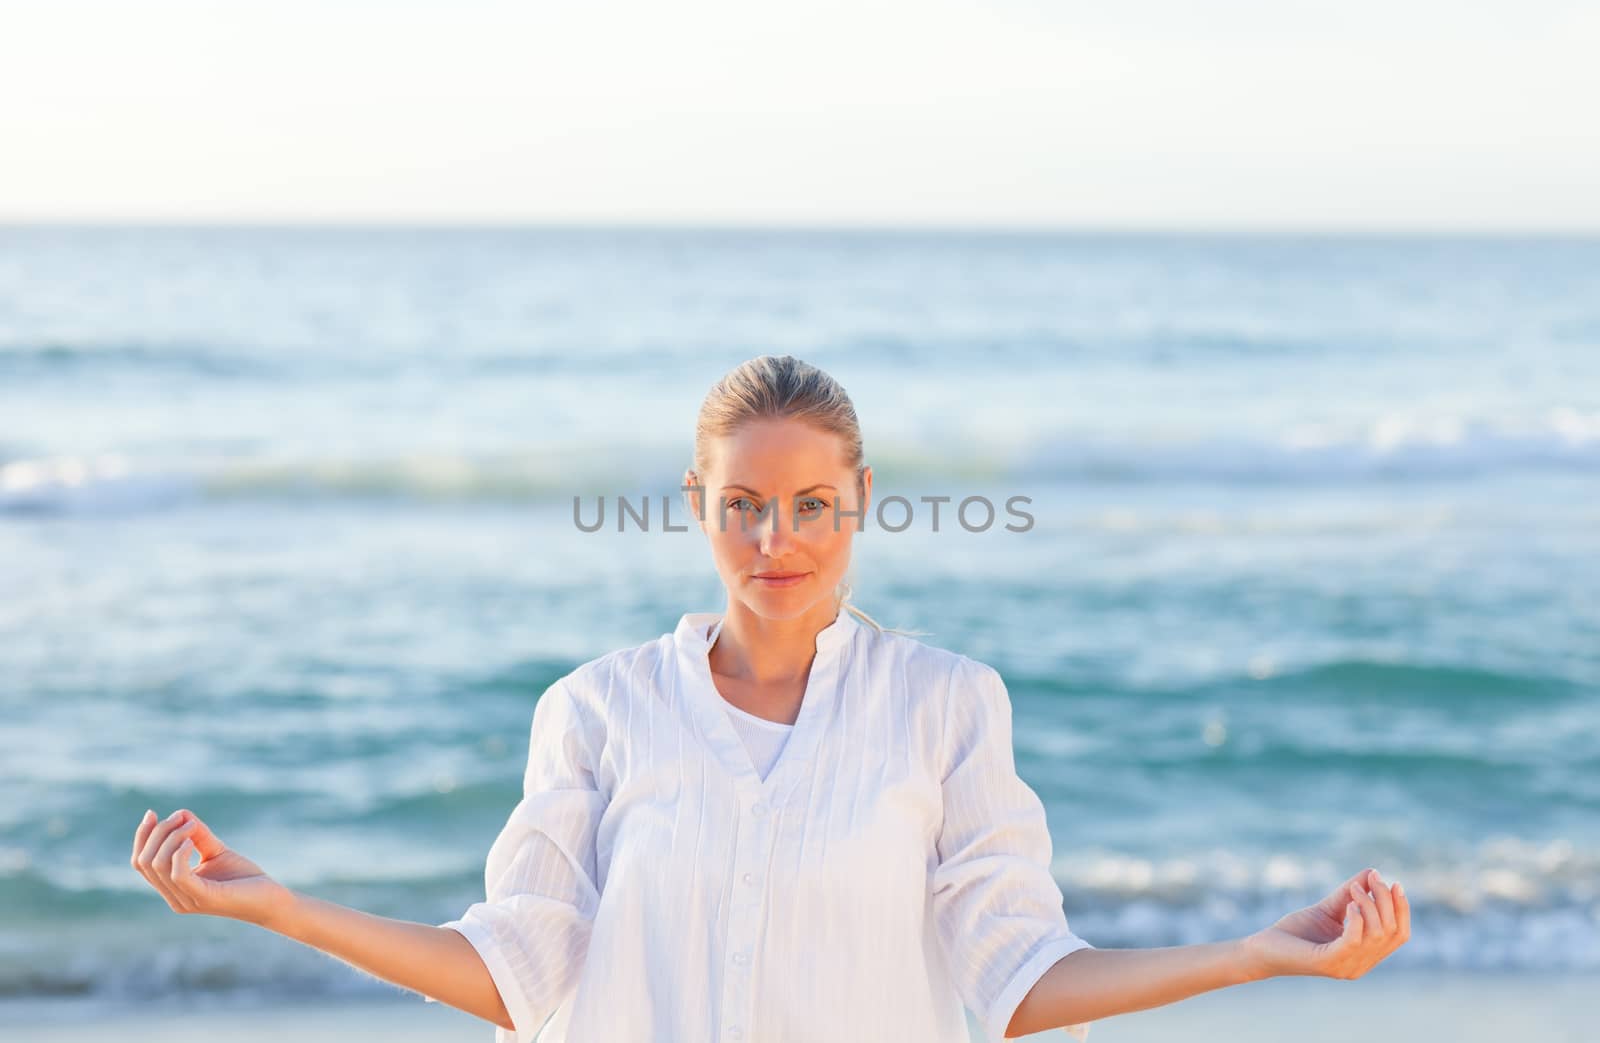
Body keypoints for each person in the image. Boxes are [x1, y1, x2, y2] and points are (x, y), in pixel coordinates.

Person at [131, 355, 1409, 1041]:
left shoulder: (946, 704)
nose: (774, 538)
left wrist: (1253, 955)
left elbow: (1019, 981)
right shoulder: (594, 709)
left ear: (860, 504)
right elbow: (517, 972)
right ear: (695, 505)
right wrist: (287, 909)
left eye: (809, 505)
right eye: (741, 503)